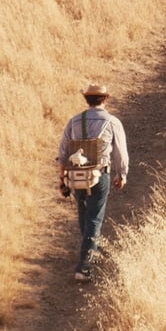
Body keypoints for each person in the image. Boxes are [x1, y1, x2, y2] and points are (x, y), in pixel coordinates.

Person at [57, 83, 129, 282]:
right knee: (95, 218)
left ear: (86, 100)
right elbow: (120, 152)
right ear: (105, 99)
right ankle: (84, 266)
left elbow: (62, 153)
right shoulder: (112, 122)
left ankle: (90, 248)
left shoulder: (74, 121)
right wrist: (121, 174)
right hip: (99, 175)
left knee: (84, 214)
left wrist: (61, 179)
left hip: (75, 176)